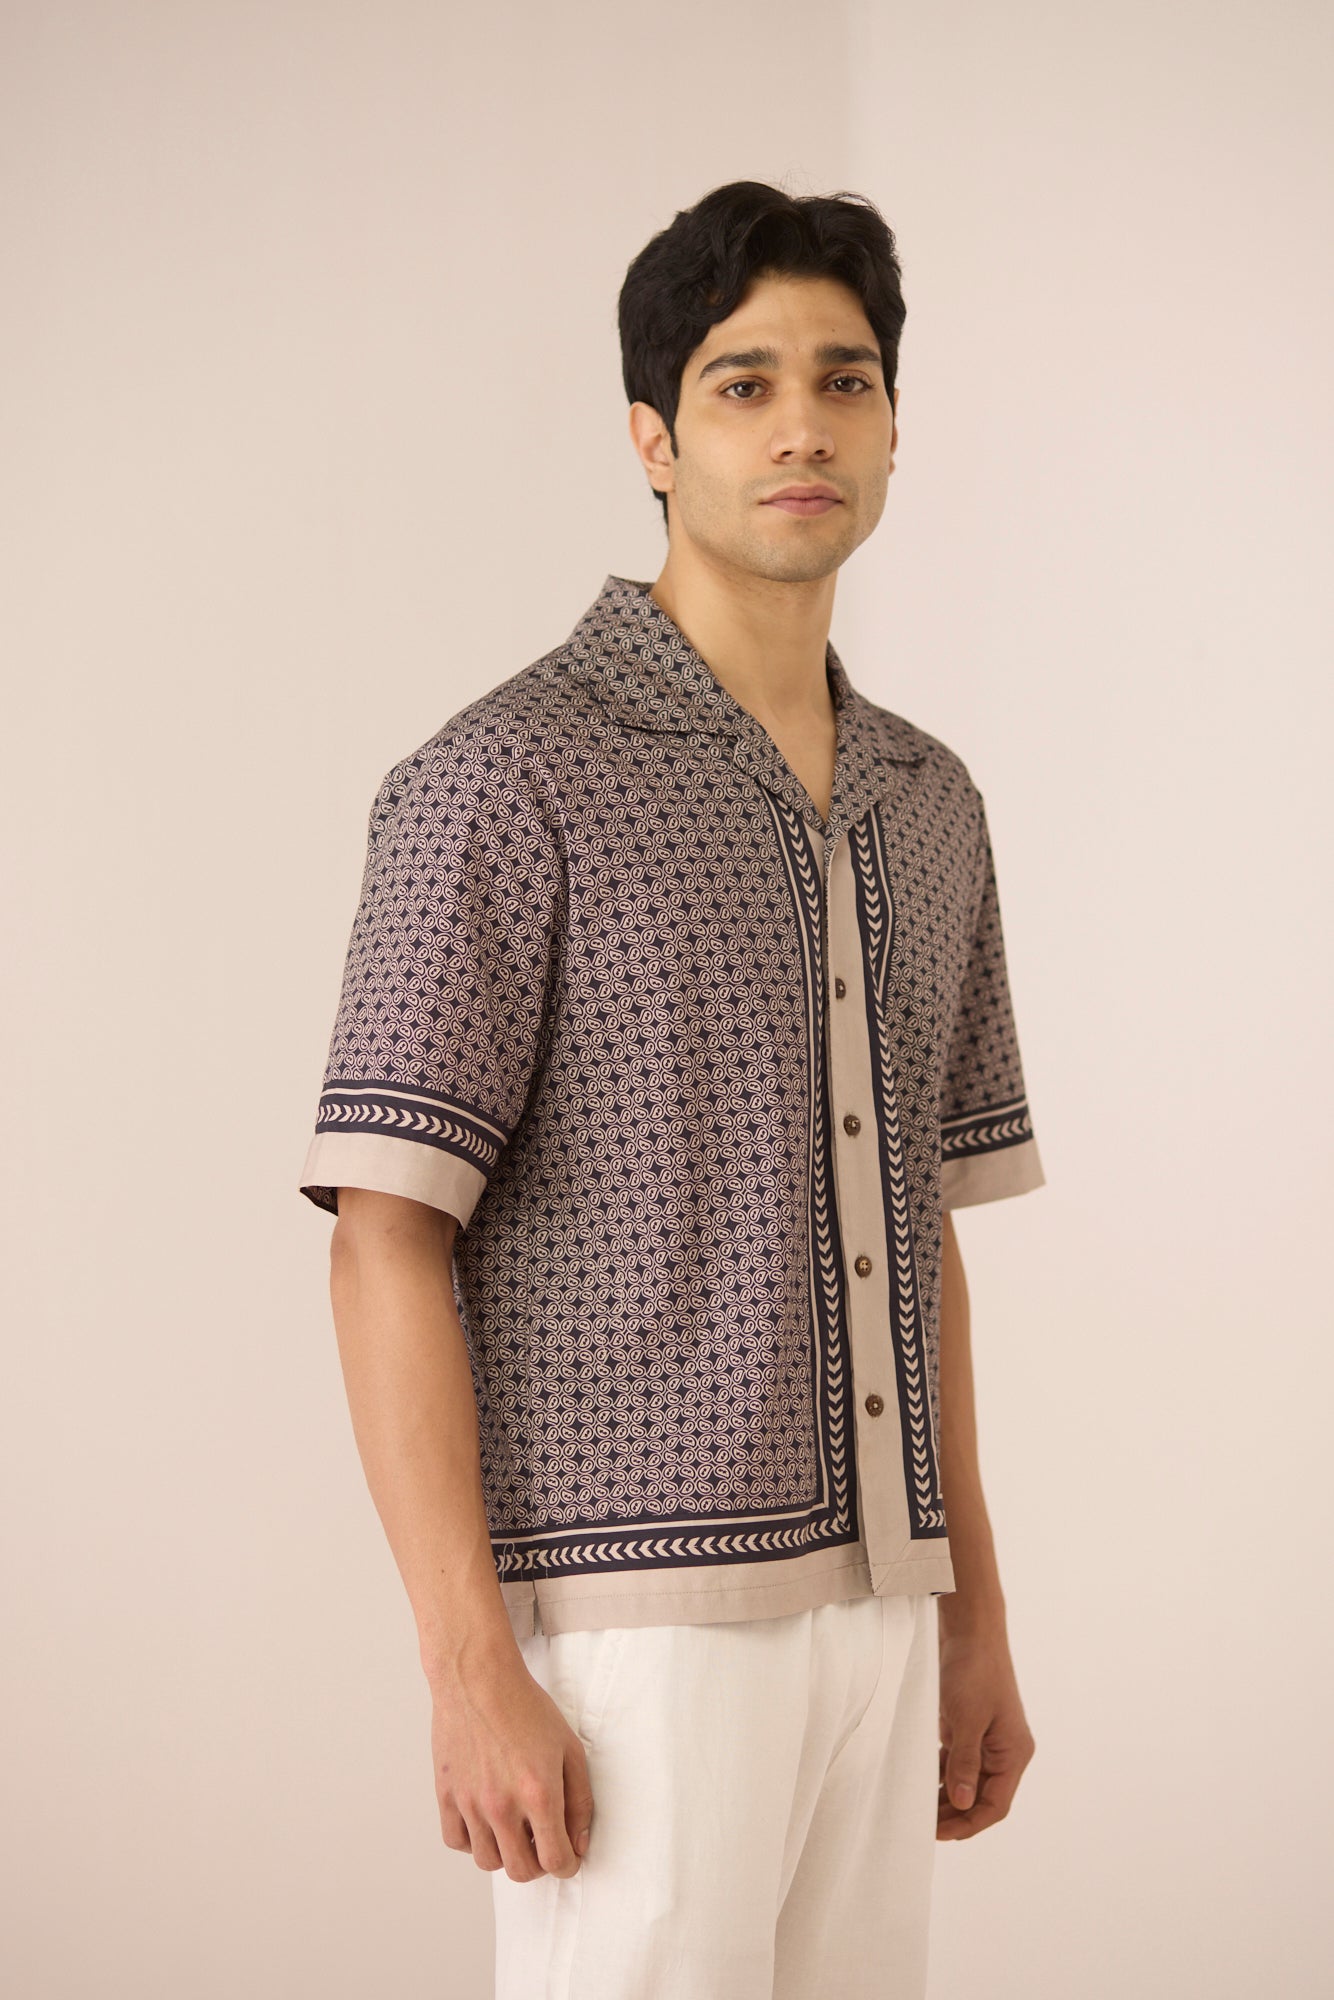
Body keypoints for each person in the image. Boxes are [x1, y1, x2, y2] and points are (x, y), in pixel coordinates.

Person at [298, 178, 1046, 2000]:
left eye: (845, 380)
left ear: (892, 427)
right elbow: (384, 1237)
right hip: (632, 1635)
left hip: (884, 1615)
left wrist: (969, 1612)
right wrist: (467, 1666)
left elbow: (921, 1235)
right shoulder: (503, 778)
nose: (802, 426)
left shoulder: (929, 800)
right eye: (741, 384)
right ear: (652, 436)